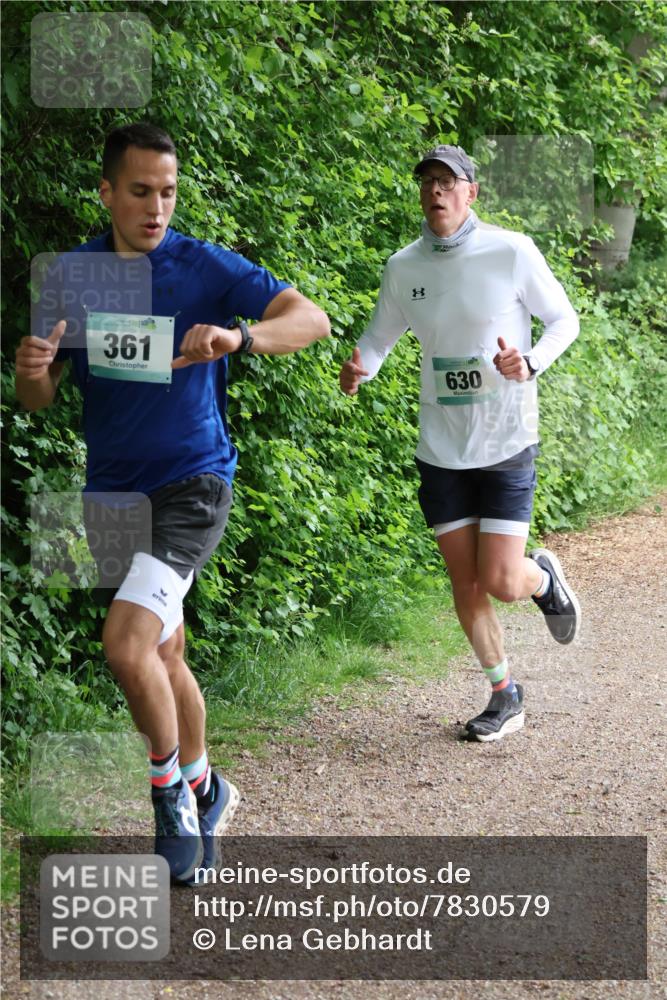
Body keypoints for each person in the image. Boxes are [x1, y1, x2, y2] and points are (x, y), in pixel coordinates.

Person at [15, 122, 330, 881]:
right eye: (140, 191)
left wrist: (239, 339)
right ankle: (209, 786)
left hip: (193, 482)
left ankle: (170, 801)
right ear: (106, 193)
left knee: (126, 646)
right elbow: (39, 399)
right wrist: (31, 371)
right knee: (162, 654)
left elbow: (310, 319)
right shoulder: (71, 276)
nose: (156, 207)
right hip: (111, 495)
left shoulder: (202, 265)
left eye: (168, 192)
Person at [339, 144, 581, 743]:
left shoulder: (511, 251)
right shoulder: (405, 267)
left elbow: (564, 321)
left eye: (448, 182)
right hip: (441, 448)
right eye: (427, 181)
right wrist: (359, 367)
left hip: (505, 439)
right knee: (465, 583)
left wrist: (528, 361)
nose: (436, 191)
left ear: (471, 192)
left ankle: (543, 580)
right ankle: (505, 694)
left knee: (501, 579)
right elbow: (380, 335)